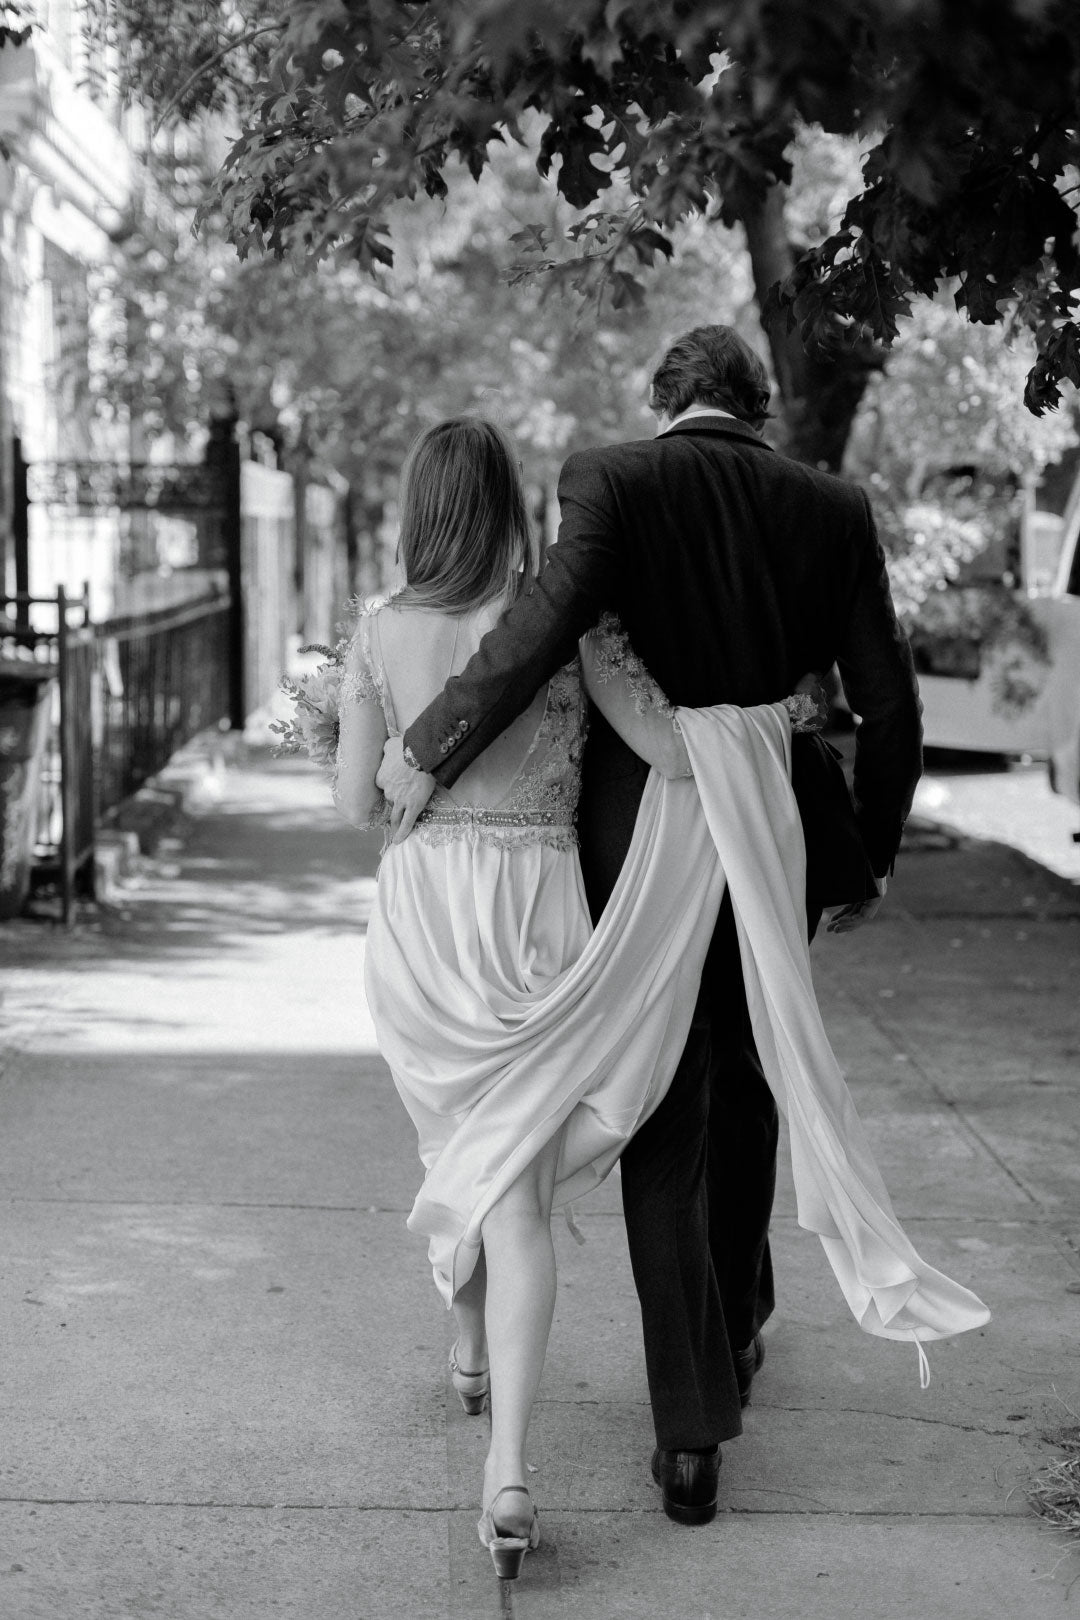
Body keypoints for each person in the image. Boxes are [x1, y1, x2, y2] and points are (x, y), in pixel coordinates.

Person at [338, 406, 989, 1586]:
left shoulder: (384, 631)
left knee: (480, 1147)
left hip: (434, 924)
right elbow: (697, 741)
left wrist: (403, 757)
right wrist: (775, 721)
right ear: (514, 508)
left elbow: (362, 806)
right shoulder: (605, 620)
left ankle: (478, 1344)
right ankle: (551, 1450)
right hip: (556, 911)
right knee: (554, 1157)